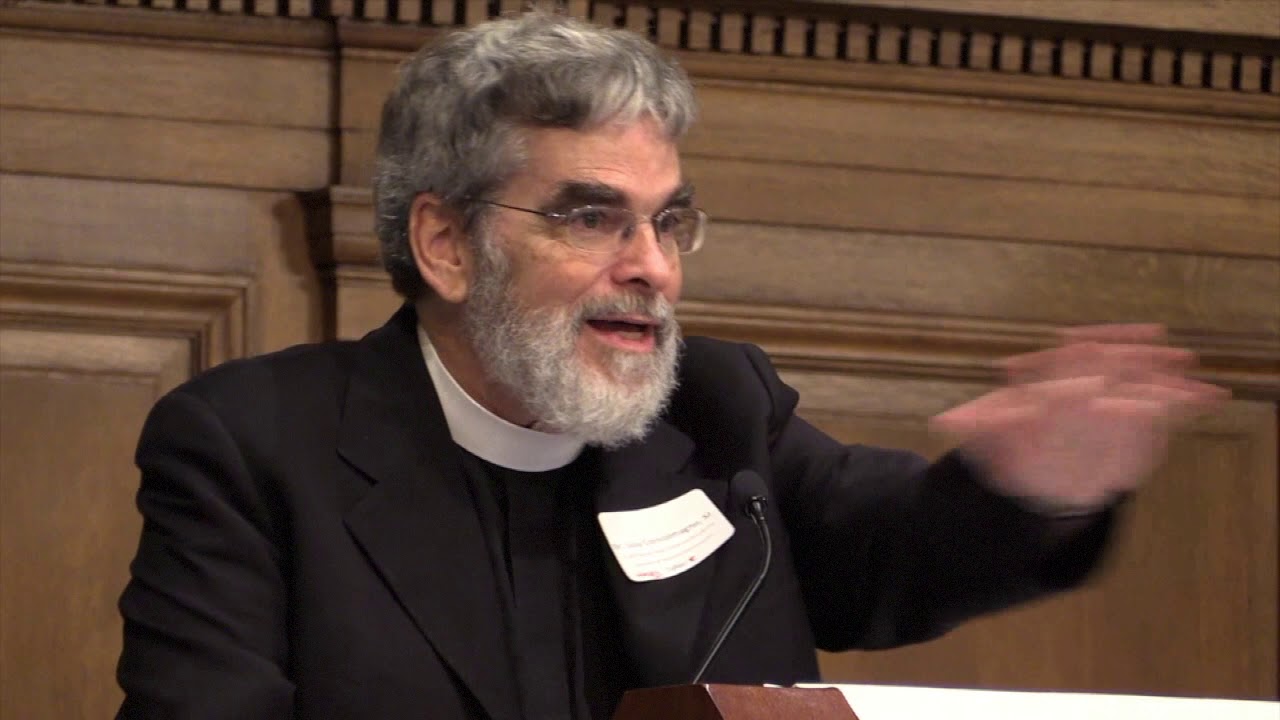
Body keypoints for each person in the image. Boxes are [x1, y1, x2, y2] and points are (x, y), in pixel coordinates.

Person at [114, 11, 1225, 720]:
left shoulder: (714, 413)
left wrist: (1039, 487)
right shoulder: (257, 447)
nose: (650, 266)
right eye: (590, 218)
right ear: (446, 244)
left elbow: (897, 551)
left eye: (668, 220)